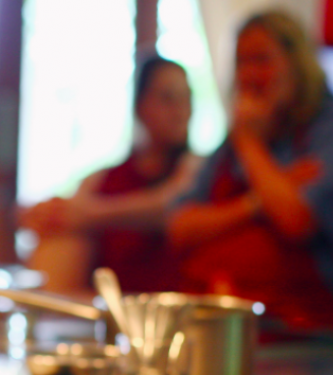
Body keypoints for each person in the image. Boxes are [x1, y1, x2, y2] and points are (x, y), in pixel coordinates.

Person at [169, 9, 333, 329]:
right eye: (242, 62)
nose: (250, 75)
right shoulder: (239, 138)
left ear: (297, 65)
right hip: (226, 325)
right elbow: (180, 227)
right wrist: (255, 202)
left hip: (311, 336)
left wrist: (250, 145)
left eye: (262, 60)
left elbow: (295, 219)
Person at [22, 54, 202, 294]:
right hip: (109, 313)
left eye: (187, 99)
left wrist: (88, 213)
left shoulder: (195, 168)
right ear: (140, 106)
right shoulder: (103, 180)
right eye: (168, 99)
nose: (181, 111)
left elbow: (171, 204)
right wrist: (46, 213)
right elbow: (65, 216)